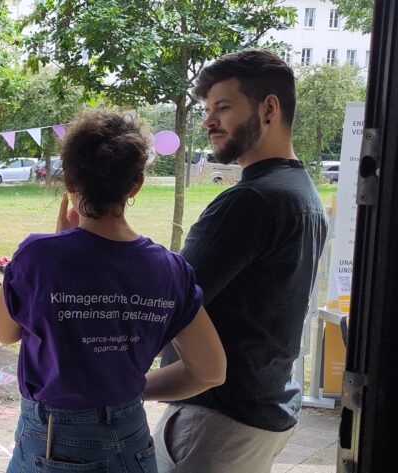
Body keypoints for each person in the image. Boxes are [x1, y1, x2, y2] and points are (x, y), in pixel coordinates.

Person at [0, 111, 227, 473]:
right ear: (136, 184)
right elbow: (210, 371)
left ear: (68, 179)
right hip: (132, 441)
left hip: (55, 445)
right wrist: (127, 392)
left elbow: (3, 331)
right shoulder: (171, 269)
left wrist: (55, 244)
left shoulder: (39, 257)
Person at [154, 49, 328, 473]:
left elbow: (163, 305)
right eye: (207, 109)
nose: (209, 121)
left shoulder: (251, 201)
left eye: (223, 107)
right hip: (262, 408)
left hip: (218, 420)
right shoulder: (303, 193)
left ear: (269, 108)